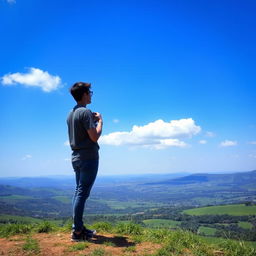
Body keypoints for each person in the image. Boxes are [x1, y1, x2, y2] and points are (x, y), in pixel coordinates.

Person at [67, 82, 103, 241]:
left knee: (78, 192)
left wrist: (92, 121)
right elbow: (94, 137)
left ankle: (79, 228)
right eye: (90, 92)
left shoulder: (71, 114)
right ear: (84, 94)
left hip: (76, 157)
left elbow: (82, 133)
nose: (91, 95)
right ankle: (77, 232)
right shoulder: (85, 112)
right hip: (88, 157)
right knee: (82, 193)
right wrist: (100, 121)